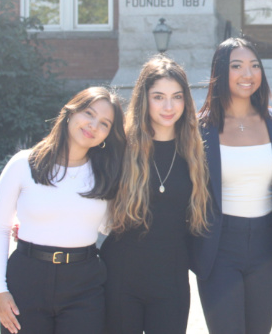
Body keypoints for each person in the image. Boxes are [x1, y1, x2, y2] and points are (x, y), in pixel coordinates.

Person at [0, 87, 126, 334]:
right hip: (27, 279)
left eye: (104, 124)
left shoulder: (107, 175)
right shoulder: (23, 164)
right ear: (70, 112)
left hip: (85, 283)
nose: (93, 125)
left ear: (107, 135)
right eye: (89, 113)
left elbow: (108, 226)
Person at [101, 55, 209, 334]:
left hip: (171, 281)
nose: (169, 106)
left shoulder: (195, 152)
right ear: (144, 99)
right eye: (158, 97)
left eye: (177, 96)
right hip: (120, 277)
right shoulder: (119, 147)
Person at [190, 38, 272, 333]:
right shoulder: (198, 128)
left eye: (254, 66)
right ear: (220, 72)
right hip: (219, 246)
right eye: (237, 66)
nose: (248, 74)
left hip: (267, 246)